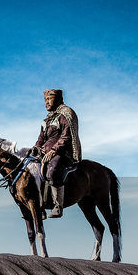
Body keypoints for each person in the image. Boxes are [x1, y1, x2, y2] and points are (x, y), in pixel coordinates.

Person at [33, 88, 80, 217]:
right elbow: (41, 138)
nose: (46, 102)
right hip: (45, 153)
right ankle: (40, 206)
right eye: (45, 100)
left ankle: (58, 206)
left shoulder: (65, 114)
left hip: (62, 153)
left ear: (58, 99)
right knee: (31, 170)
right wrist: (36, 148)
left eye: (49, 99)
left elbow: (66, 136)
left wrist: (53, 151)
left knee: (53, 169)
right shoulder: (46, 120)